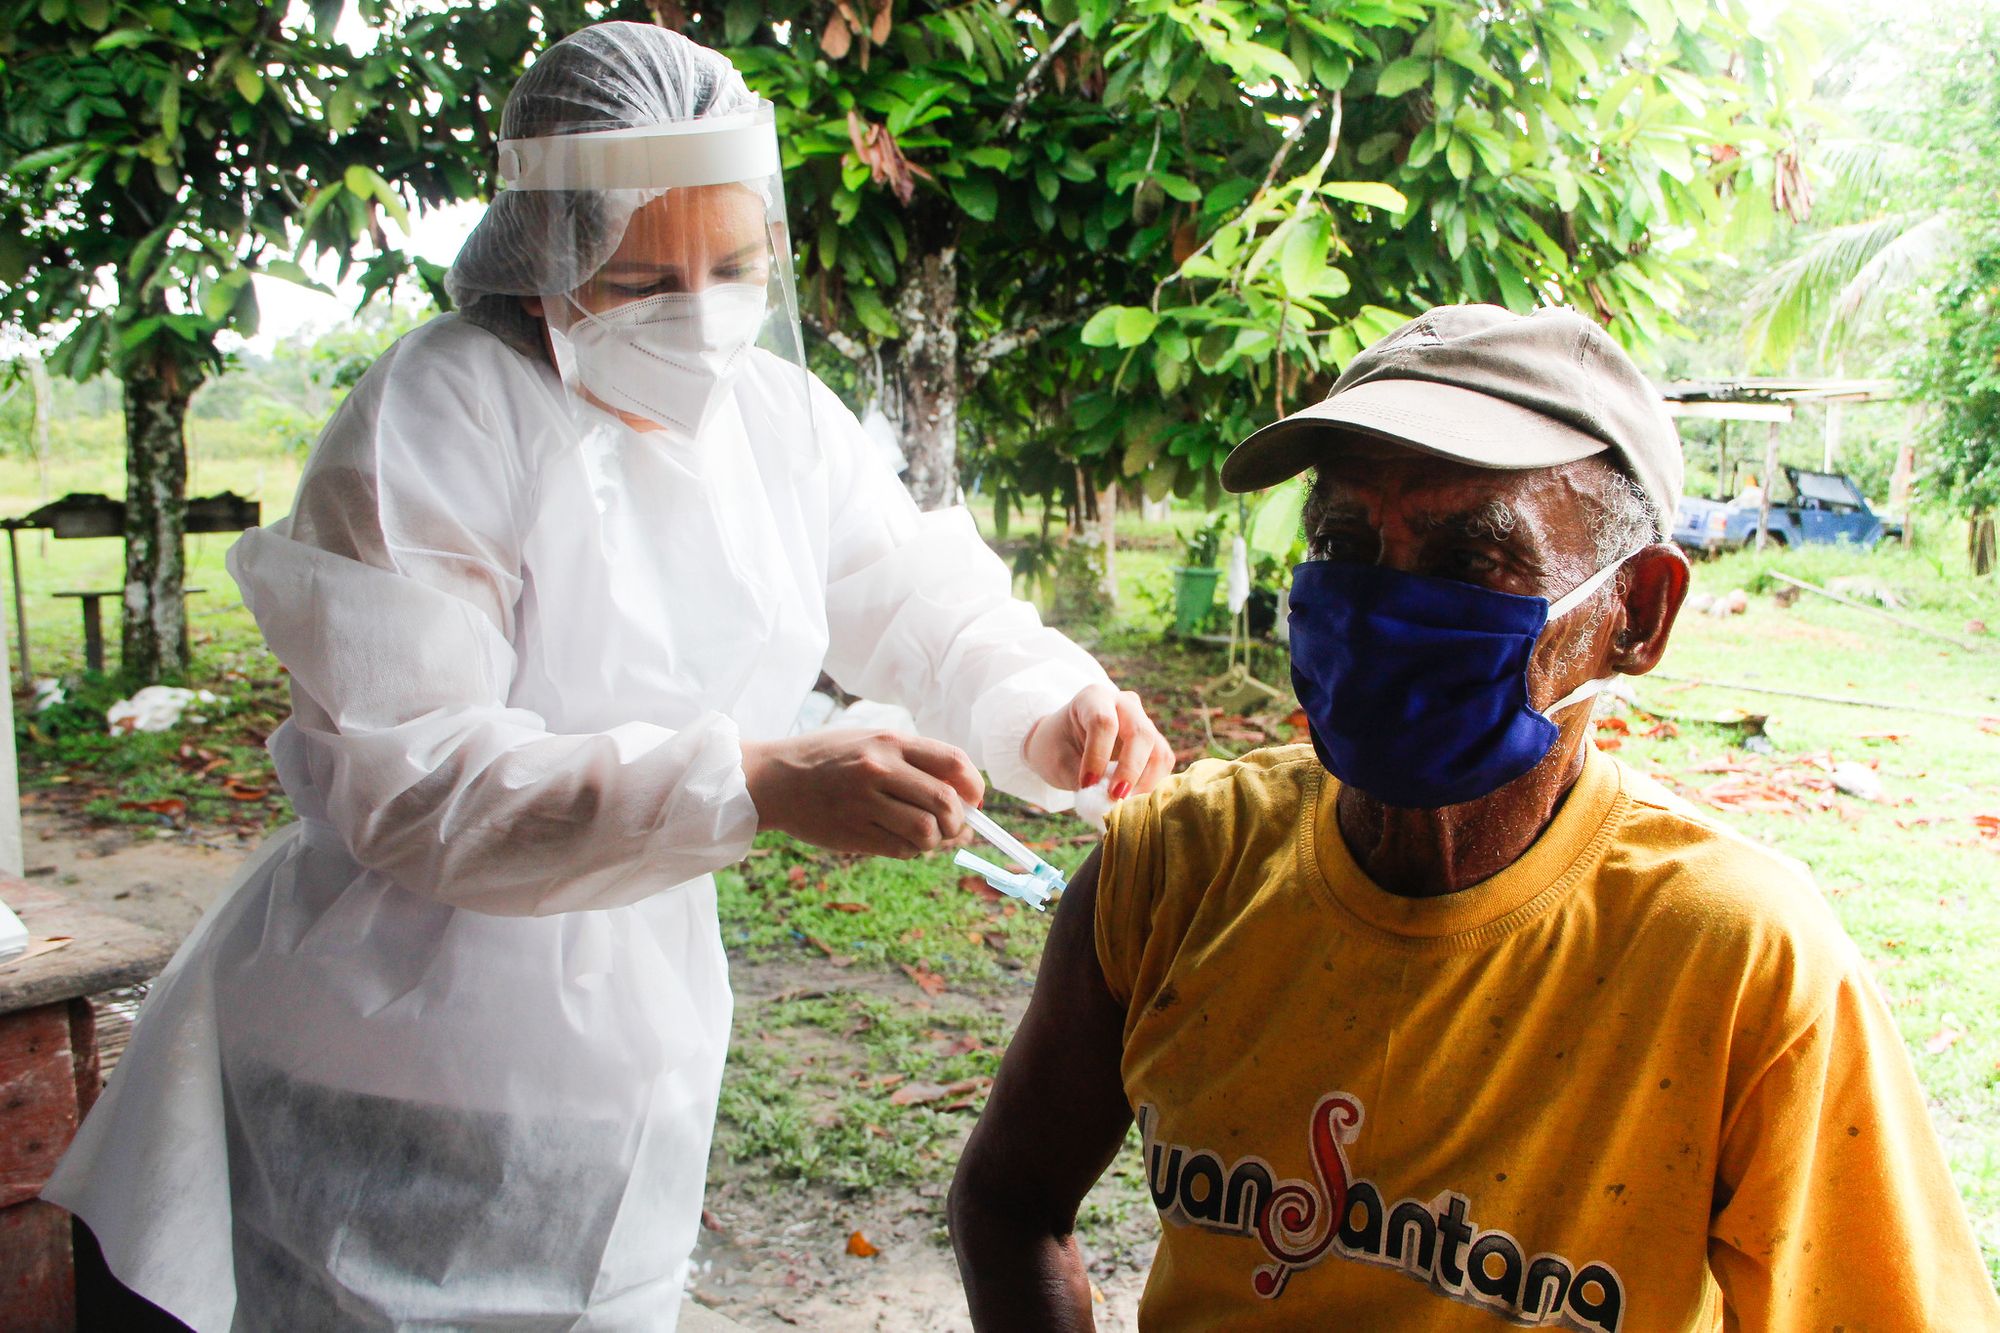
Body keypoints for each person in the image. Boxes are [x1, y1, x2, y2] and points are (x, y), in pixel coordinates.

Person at [45, 23, 1171, 1331]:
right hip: (380, 1047)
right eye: (643, 279)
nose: (700, 312)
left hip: (625, 1057)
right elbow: (414, 782)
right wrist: (748, 782)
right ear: (545, 262)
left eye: (735, 266)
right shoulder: (445, 413)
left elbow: (924, 606)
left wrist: (1053, 705)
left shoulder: (777, 425)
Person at [950, 305, 2000, 1330]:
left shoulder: (1738, 964)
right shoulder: (1175, 870)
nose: (1376, 605)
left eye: (1465, 562)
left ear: (1636, 613)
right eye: (1343, 541)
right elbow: (1007, 1202)